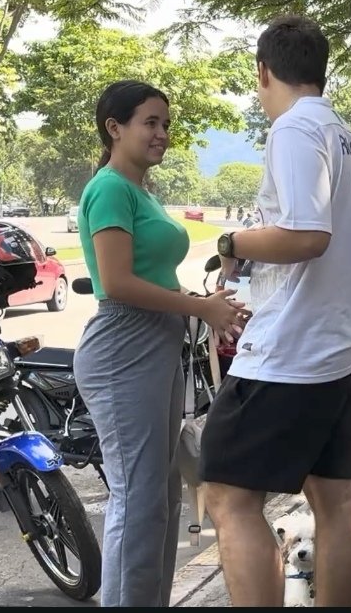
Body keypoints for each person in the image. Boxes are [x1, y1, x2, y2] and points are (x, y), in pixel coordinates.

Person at [199, 14, 351, 607]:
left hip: (293, 353)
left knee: (227, 497)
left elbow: (306, 235)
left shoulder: (294, 130)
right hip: (345, 346)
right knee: (336, 498)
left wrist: (233, 243)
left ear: (264, 72)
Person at [73, 80, 245, 607]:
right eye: (150, 122)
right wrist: (200, 308)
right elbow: (117, 282)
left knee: (162, 497)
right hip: (122, 347)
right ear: (115, 127)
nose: (161, 134)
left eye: (165, 124)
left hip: (157, 345)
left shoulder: (141, 192)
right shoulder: (109, 189)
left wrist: (205, 302)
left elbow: (153, 277)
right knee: (138, 498)